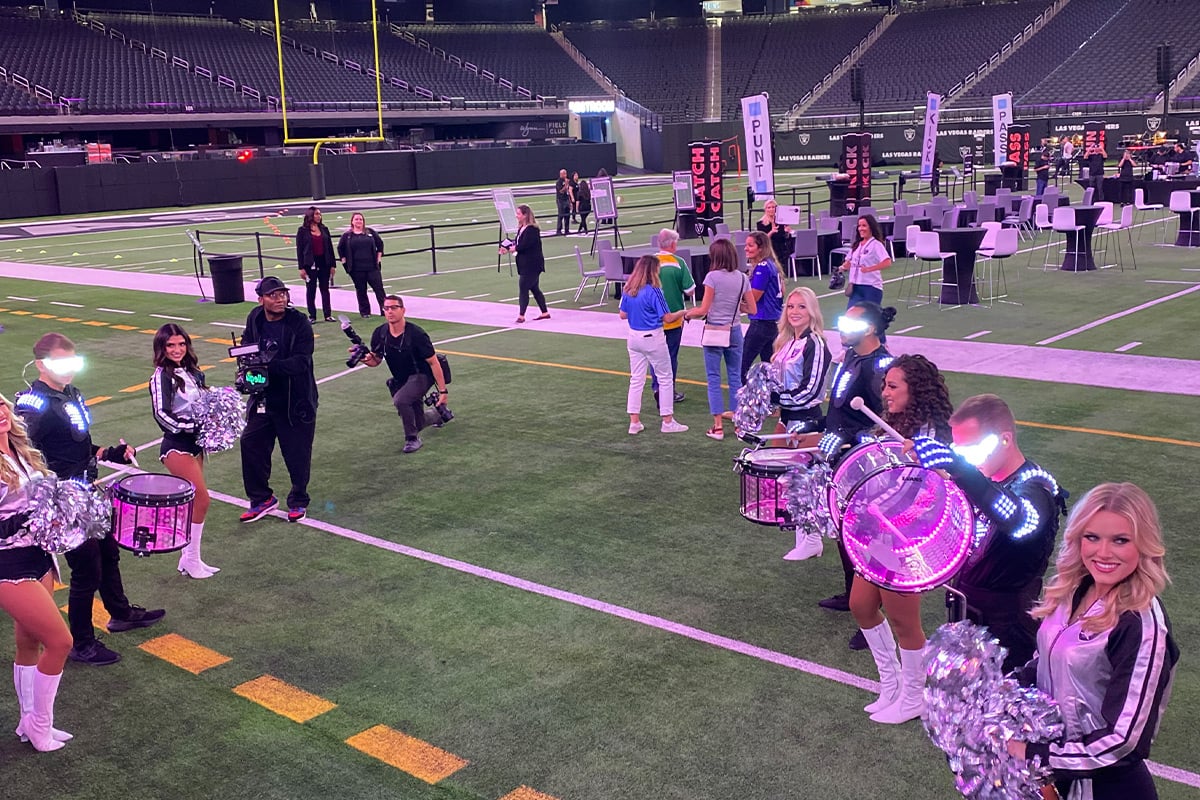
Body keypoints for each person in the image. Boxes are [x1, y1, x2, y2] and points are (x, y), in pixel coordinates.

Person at [1007, 483, 1178, 800]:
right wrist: (1006, 689)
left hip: (1108, 788)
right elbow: (1048, 659)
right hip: (1054, 777)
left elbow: (1124, 741)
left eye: (1120, 540)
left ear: (1144, 544)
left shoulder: (1140, 623)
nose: (1103, 553)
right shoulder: (1072, 590)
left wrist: (1036, 753)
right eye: (1092, 537)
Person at [15, 333, 164, 667]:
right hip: (61, 499)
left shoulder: (71, 393)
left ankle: (120, 613)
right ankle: (81, 643)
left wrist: (109, 453)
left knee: (109, 552)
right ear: (40, 365)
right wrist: (48, 497)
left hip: (86, 492)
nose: (68, 368)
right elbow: (21, 454)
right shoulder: (34, 405)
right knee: (86, 568)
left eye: (72, 361)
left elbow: (78, 444)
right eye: (59, 362)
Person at [911, 393, 1068, 672]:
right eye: (960, 452)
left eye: (973, 450)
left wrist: (961, 469)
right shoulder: (981, 480)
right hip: (966, 618)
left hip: (1008, 635)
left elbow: (1018, 520)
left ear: (1005, 439)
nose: (968, 460)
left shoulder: (1036, 486)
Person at [852, 354, 953, 724]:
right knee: (861, 605)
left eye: (893, 386)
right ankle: (891, 684)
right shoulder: (895, 424)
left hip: (907, 538)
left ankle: (914, 698)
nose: (885, 392)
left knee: (904, 621)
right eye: (885, 385)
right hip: (881, 533)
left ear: (916, 390)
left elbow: (928, 492)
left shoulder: (931, 436)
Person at [0, 392, 74, 751]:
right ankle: (40, 726)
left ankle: (27, 720)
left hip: (39, 555)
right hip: (9, 564)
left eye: (0, 404)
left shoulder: (20, 450)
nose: (0, 412)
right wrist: (30, 516)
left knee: (29, 642)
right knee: (61, 642)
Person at [812, 302, 896, 617]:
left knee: (869, 536)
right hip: (843, 460)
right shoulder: (851, 356)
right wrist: (820, 425)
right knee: (844, 528)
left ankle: (875, 606)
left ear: (871, 329)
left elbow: (885, 425)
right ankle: (853, 594)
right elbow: (843, 408)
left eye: (851, 324)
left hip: (866, 467)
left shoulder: (881, 368)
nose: (843, 329)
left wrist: (847, 435)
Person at [238, 276, 318, 524]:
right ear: (261, 299)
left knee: (296, 452)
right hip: (263, 398)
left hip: (296, 401)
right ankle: (261, 499)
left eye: (283, 294)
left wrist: (266, 367)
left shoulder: (299, 322)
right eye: (273, 295)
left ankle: (298, 499)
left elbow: (301, 362)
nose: (280, 299)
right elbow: (247, 344)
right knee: (250, 443)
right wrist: (247, 367)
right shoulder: (255, 317)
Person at [149, 323, 217, 579]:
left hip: (196, 444)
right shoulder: (160, 377)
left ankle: (188, 558)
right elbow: (161, 414)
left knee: (190, 503)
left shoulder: (192, 371)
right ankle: (191, 559)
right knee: (202, 500)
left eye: (181, 344)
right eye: (170, 345)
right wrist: (190, 427)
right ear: (162, 348)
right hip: (177, 446)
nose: (177, 349)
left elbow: (203, 402)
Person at [683, 239, 755, 441]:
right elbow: (752, 308)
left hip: (715, 331)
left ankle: (718, 426)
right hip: (735, 330)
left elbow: (704, 309)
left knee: (713, 377)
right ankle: (739, 425)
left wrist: (688, 314)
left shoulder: (712, 277)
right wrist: (734, 306)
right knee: (735, 376)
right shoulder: (742, 278)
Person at [360, 295, 450, 454]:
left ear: (403, 310)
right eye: (386, 308)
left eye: (394, 307)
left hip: (421, 375)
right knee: (417, 422)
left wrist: (443, 391)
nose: (390, 311)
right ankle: (438, 415)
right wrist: (363, 359)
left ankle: (412, 439)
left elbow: (434, 362)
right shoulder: (380, 333)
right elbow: (376, 361)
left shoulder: (417, 334)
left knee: (401, 400)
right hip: (401, 379)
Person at [619, 255, 688, 435]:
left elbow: (622, 314)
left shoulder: (629, 289)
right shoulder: (654, 291)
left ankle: (634, 422)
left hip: (633, 337)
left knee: (636, 379)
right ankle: (667, 421)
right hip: (653, 337)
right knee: (665, 378)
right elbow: (667, 317)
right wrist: (683, 312)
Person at [772, 286, 830, 438]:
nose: (794, 312)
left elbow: (810, 391)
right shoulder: (786, 341)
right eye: (790, 307)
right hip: (785, 418)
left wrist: (776, 398)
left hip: (806, 421)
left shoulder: (815, 343)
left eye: (802, 307)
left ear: (812, 311)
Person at [650, 228, 695, 409]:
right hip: (675, 317)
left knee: (655, 356)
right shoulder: (679, 263)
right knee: (671, 356)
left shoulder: (650, 262)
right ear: (673, 244)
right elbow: (690, 290)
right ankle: (669, 390)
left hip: (653, 318)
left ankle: (657, 387)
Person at [739, 231, 785, 383]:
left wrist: (734, 302)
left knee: (742, 364)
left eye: (750, 245)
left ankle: (744, 394)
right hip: (772, 323)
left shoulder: (763, 267)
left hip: (761, 322)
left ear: (761, 248)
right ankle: (772, 396)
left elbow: (753, 297)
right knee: (769, 367)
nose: (746, 248)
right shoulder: (772, 265)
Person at [500, 204, 549, 324]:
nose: (516, 216)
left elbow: (524, 245)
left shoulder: (532, 229)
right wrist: (506, 247)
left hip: (532, 264)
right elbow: (518, 243)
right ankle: (545, 312)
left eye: (518, 214)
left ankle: (521, 315)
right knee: (534, 288)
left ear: (525, 215)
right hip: (525, 264)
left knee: (523, 287)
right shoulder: (522, 228)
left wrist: (513, 249)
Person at [337, 212, 386, 319]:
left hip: (372, 267)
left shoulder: (370, 232)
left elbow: (380, 244)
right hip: (356, 269)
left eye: (360, 219)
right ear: (352, 221)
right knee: (361, 290)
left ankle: (384, 310)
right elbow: (340, 249)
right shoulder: (347, 236)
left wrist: (378, 258)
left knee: (379, 289)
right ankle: (365, 312)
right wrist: (345, 263)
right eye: (356, 219)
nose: (359, 221)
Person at [839, 214, 892, 308]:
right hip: (855, 287)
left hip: (871, 287)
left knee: (870, 315)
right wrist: (842, 268)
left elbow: (887, 262)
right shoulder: (856, 245)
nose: (861, 228)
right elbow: (849, 262)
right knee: (851, 313)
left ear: (871, 227)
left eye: (864, 226)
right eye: (859, 226)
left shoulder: (876, 244)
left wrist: (869, 269)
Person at [296, 206, 336, 323]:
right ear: (310, 216)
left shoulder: (324, 229)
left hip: (324, 263)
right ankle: (312, 315)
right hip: (310, 264)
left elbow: (330, 247)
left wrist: (332, 265)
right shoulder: (302, 231)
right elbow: (300, 250)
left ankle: (327, 314)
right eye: (316, 214)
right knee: (311, 290)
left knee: (325, 289)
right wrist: (301, 268)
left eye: (319, 214)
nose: (319, 216)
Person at [756, 199, 792, 267]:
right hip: (769, 248)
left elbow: (785, 236)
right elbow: (762, 240)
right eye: (769, 207)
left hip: (782, 248)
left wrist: (788, 231)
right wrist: (771, 232)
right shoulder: (761, 223)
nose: (771, 209)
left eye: (773, 207)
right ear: (765, 209)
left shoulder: (781, 221)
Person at [555, 168, 572, 236]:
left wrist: (570, 201)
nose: (565, 175)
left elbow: (568, 192)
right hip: (560, 200)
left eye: (566, 173)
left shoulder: (567, 180)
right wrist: (566, 185)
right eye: (564, 174)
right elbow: (561, 191)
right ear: (561, 174)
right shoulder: (558, 182)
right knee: (561, 214)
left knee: (567, 215)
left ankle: (567, 230)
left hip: (566, 199)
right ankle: (558, 230)